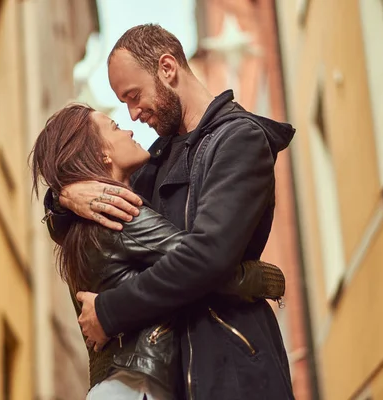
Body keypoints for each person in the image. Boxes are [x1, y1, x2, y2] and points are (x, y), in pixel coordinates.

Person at [45, 24, 295, 399]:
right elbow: (99, 228)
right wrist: (64, 196)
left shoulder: (239, 140)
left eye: (134, 95)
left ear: (167, 68)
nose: (131, 114)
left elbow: (208, 255)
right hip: (177, 377)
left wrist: (110, 312)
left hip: (234, 368)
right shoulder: (154, 164)